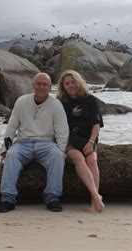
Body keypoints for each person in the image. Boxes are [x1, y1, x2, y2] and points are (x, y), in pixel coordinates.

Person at [0, 73, 69, 213]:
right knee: (11, 156)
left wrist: (61, 151)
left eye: (45, 84)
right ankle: (8, 199)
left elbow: (62, 132)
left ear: (50, 87)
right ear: (33, 85)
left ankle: (52, 198)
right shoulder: (21, 101)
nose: (41, 87)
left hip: (47, 144)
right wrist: (4, 150)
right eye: (38, 83)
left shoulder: (56, 105)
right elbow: (11, 127)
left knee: (57, 156)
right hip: (23, 143)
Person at [56, 70, 105, 213]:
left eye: (73, 82)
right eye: (67, 83)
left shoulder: (90, 100)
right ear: (63, 86)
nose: (71, 85)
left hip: (87, 138)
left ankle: (92, 199)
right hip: (68, 140)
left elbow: (96, 124)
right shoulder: (60, 103)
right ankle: (96, 197)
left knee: (92, 160)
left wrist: (91, 142)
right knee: (78, 157)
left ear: (79, 82)